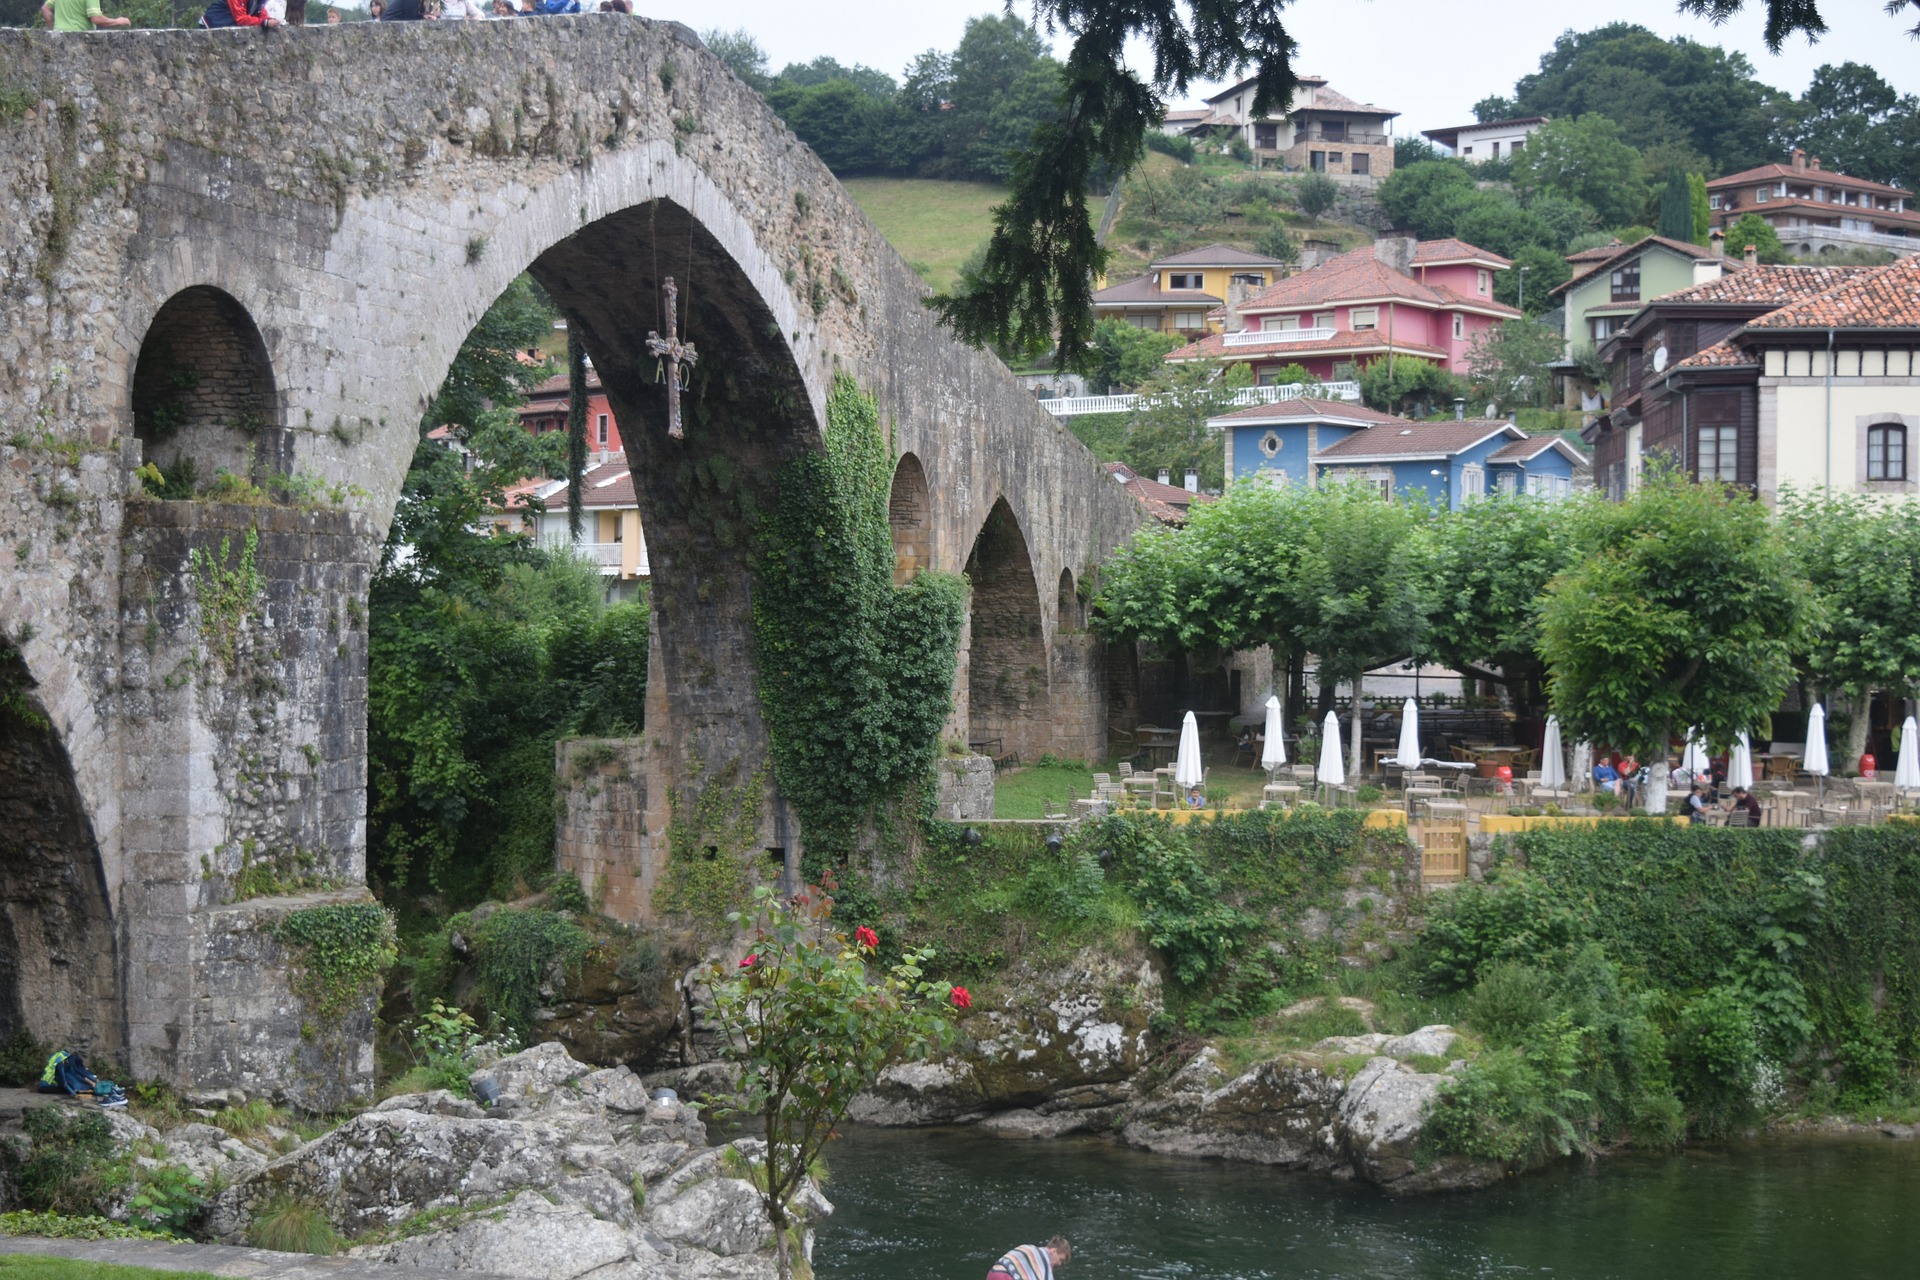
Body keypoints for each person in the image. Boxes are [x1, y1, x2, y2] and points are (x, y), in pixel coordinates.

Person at [987, 1237, 1071, 1280]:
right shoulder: (1045, 1259)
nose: (1059, 1263)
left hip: (992, 1273)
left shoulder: (1028, 1248)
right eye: (1060, 1259)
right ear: (1053, 1251)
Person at [42, 0, 132, 28]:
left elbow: (45, 9)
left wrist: (55, 30)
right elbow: (96, 19)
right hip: (79, 39)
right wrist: (118, 21)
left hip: (58, 39)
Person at [200, 0, 280, 27]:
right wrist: (264, 23)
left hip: (228, 28)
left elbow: (262, 13)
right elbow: (241, 19)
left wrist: (270, 20)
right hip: (210, 25)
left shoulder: (259, 1)